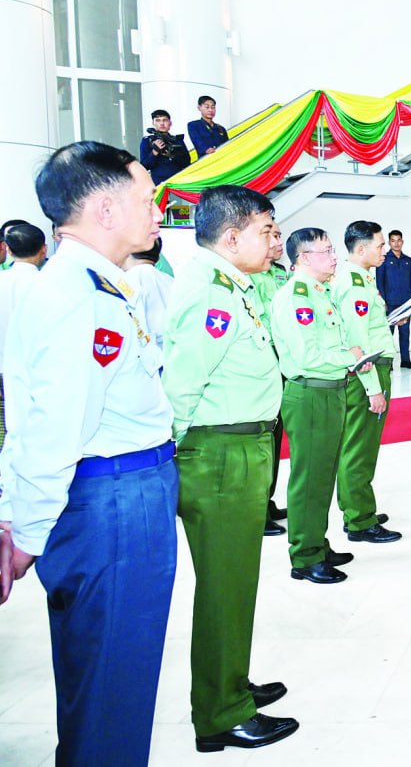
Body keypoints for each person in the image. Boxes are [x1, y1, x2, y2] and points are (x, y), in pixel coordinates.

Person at [0, 141, 175, 765]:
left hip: (117, 493)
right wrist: (27, 530)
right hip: (114, 501)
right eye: (147, 199)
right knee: (111, 685)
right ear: (105, 209)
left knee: (108, 676)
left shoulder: (94, 282)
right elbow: (53, 425)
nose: (158, 211)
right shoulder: (77, 293)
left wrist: (17, 512)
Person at [162, 184, 299, 752]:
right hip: (219, 454)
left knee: (235, 583)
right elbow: (181, 386)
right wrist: (177, 455)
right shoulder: (212, 294)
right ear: (232, 236)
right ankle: (221, 713)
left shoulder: (231, 285)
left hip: (239, 449)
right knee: (225, 586)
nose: (274, 242)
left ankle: (230, 684)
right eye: (267, 231)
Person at [271, 228, 367, 584]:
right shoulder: (296, 297)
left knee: (323, 475)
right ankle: (305, 556)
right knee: (310, 478)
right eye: (326, 251)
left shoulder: (319, 292)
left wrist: (350, 358)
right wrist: (350, 356)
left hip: (330, 391)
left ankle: (317, 543)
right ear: (304, 258)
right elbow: (307, 356)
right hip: (311, 394)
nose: (334, 257)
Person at [330, 221, 401, 543]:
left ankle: (357, 509)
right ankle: (359, 520)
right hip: (367, 372)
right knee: (359, 449)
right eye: (380, 245)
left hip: (370, 368)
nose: (384, 250)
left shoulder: (359, 278)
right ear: (361, 249)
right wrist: (373, 388)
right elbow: (356, 341)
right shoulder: (355, 283)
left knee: (358, 446)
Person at [250, 222, 291, 535]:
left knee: (275, 436)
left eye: (279, 236)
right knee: (262, 438)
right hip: (265, 362)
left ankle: (268, 499)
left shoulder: (279, 273)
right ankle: (256, 508)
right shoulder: (249, 275)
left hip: (283, 361)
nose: (278, 242)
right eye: (272, 236)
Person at [0, 224, 47, 454]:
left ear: (8, 249)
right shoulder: (49, 285)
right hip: (37, 372)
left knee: (6, 429)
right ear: (44, 249)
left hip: (3, 370)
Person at [376, 229, 411, 368]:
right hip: (390, 304)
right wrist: (383, 302)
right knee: (388, 334)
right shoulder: (384, 260)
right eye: (393, 241)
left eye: (399, 240)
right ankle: (388, 363)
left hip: (405, 304)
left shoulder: (408, 261)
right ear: (389, 242)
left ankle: (405, 361)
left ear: (402, 241)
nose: (396, 243)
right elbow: (379, 283)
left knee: (405, 333)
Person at [124, 236, 174, 350]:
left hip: (140, 353)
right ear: (158, 257)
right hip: (170, 352)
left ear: (128, 252)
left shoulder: (125, 282)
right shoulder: (172, 282)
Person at [138, 109, 191, 185]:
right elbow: (144, 166)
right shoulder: (148, 141)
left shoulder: (177, 140)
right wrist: (155, 152)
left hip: (178, 182)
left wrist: (173, 154)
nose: (162, 123)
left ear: (170, 123)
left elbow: (186, 163)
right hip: (159, 183)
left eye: (165, 120)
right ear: (153, 123)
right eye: (158, 120)